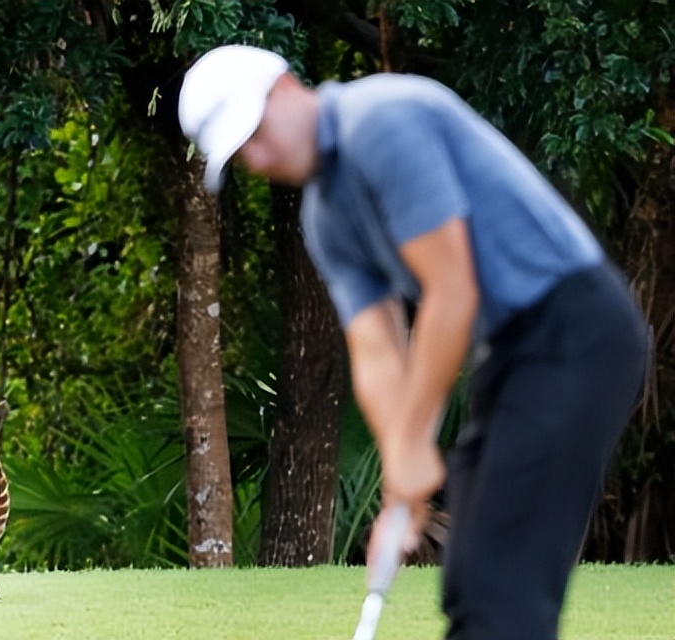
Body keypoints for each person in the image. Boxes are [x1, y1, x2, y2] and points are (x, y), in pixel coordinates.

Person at [177, 45, 649, 639]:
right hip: (513, 356)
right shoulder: (324, 216)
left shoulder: (382, 119)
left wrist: (412, 449)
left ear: (287, 88)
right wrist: (400, 468)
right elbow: (376, 351)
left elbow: (452, 292)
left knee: (503, 583)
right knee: (470, 578)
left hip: (577, 331)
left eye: (254, 135)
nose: (257, 159)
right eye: (240, 154)